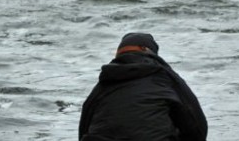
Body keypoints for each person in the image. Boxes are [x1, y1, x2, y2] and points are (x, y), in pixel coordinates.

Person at [78, 32, 208, 141]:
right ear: (149, 51)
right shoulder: (165, 76)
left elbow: (84, 126)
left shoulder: (104, 83)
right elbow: (196, 125)